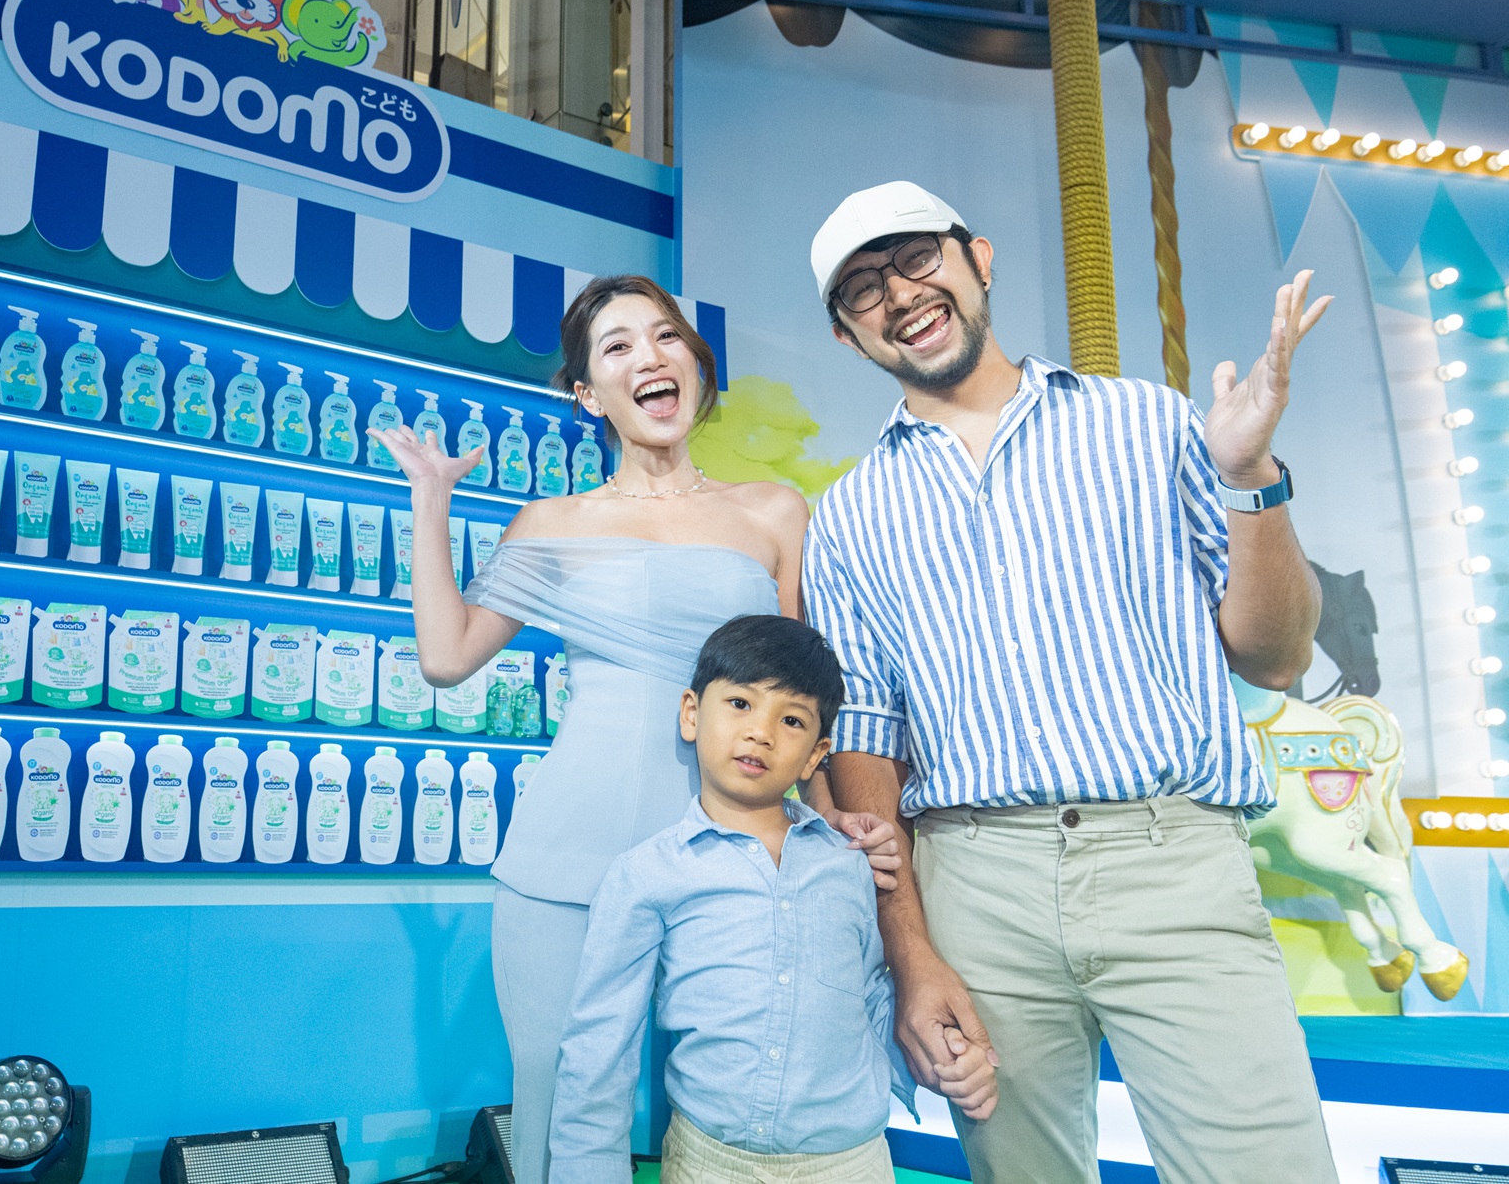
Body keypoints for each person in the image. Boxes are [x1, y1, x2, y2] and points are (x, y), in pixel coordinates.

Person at [800, 180, 1337, 1184]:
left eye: (916, 258)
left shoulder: (1148, 423)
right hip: (970, 885)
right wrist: (911, 953)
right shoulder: (847, 515)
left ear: (978, 258)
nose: (899, 294)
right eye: (862, 288)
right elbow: (865, 737)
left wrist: (1247, 476)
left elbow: (1274, 655)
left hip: (1172, 858)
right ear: (845, 334)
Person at [369, 276, 900, 1184]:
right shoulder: (552, 522)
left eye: (666, 336)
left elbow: (798, 690)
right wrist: (429, 502)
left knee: (748, 1088)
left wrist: (827, 815)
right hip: (569, 852)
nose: (649, 356)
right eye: (617, 346)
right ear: (588, 393)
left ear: (693, 363)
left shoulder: (774, 511)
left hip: (735, 853)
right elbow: (447, 655)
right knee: (562, 1095)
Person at [549, 614, 996, 1184]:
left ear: (815, 754)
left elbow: (869, 999)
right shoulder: (646, 875)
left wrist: (947, 1056)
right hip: (708, 1163)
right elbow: (599, 1049)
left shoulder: (849, 864)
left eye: (791, 720)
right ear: (692, 713)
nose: (761, 732)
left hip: (851, 1163)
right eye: (740, 703)